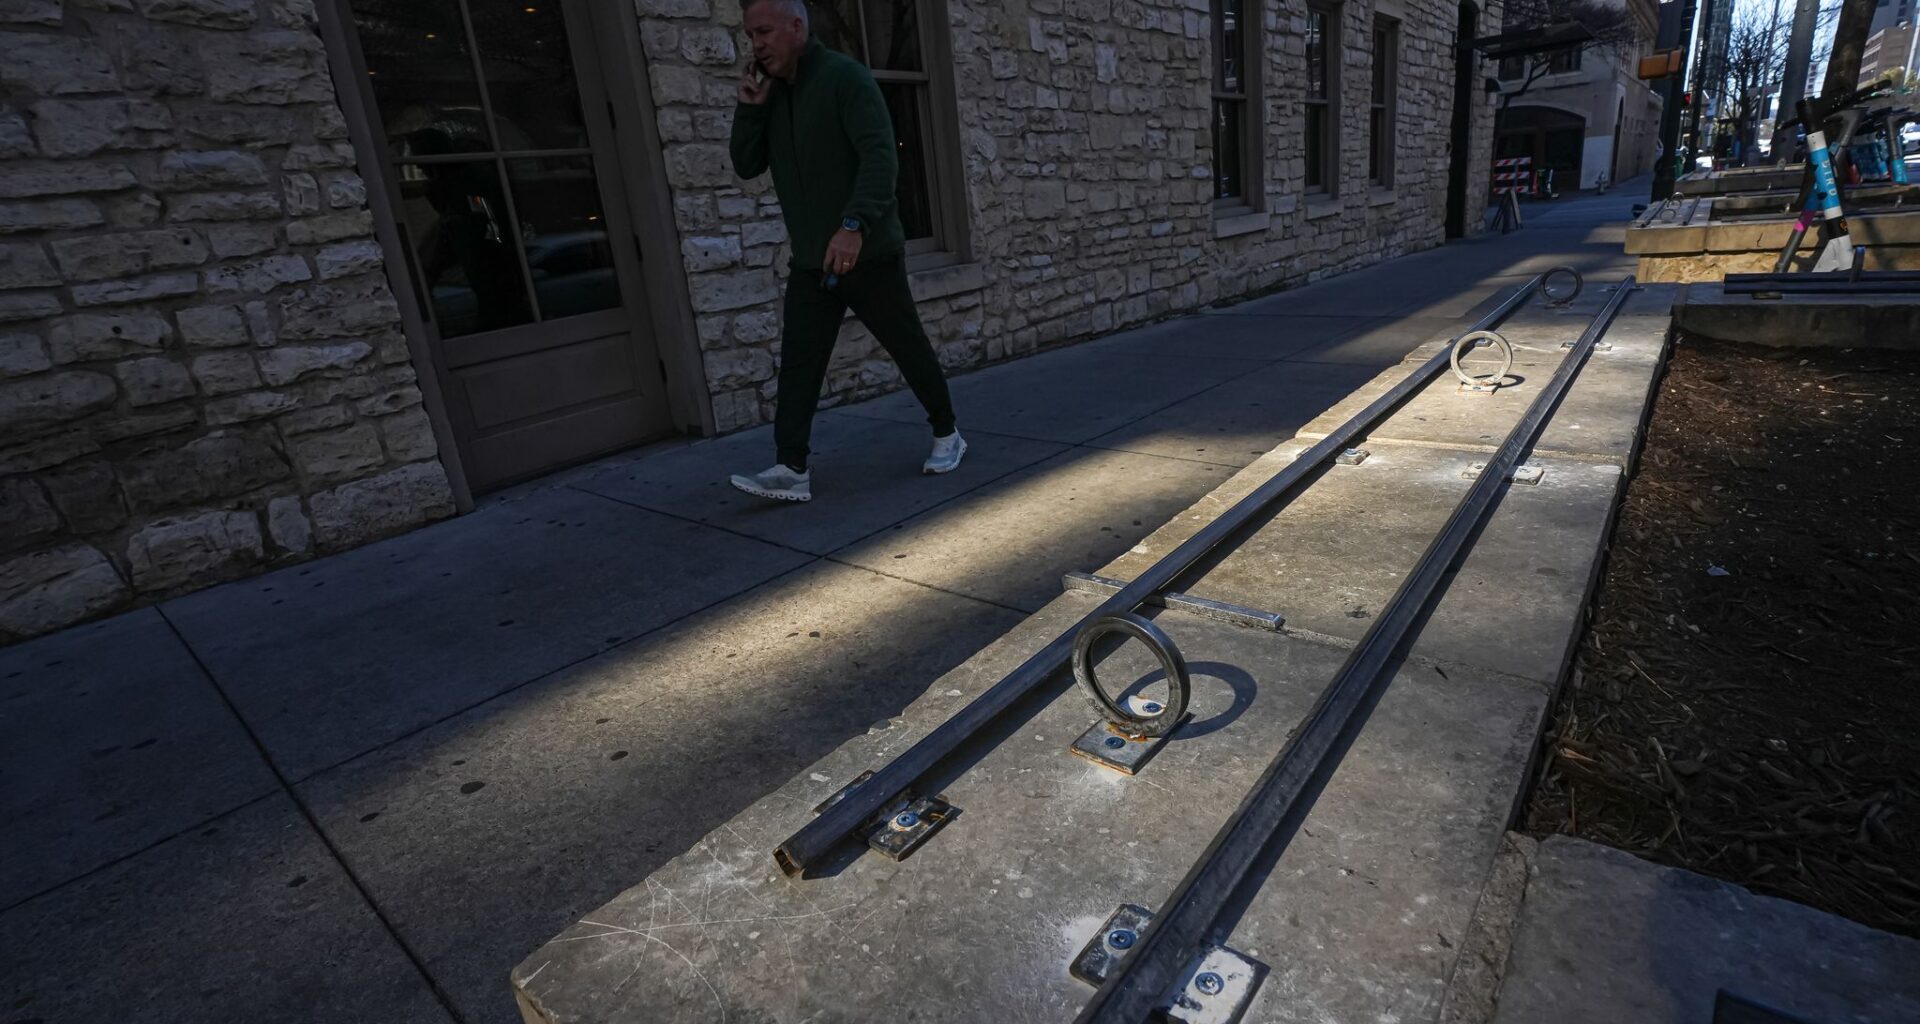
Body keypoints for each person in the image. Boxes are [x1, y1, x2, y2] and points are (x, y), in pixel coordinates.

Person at [726, 0, 964, 504]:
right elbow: (747, 165)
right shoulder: (773, 94)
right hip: (813, 261)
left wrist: (854, 225)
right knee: (800, 362)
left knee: (906, 346)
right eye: (750, 35)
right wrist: (750, 109)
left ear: (796, 27)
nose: (757, 43)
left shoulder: (845, 79)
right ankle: (791, 467)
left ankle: (948, 433)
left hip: (868, 253)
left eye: (764, 31)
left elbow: (880, 158)